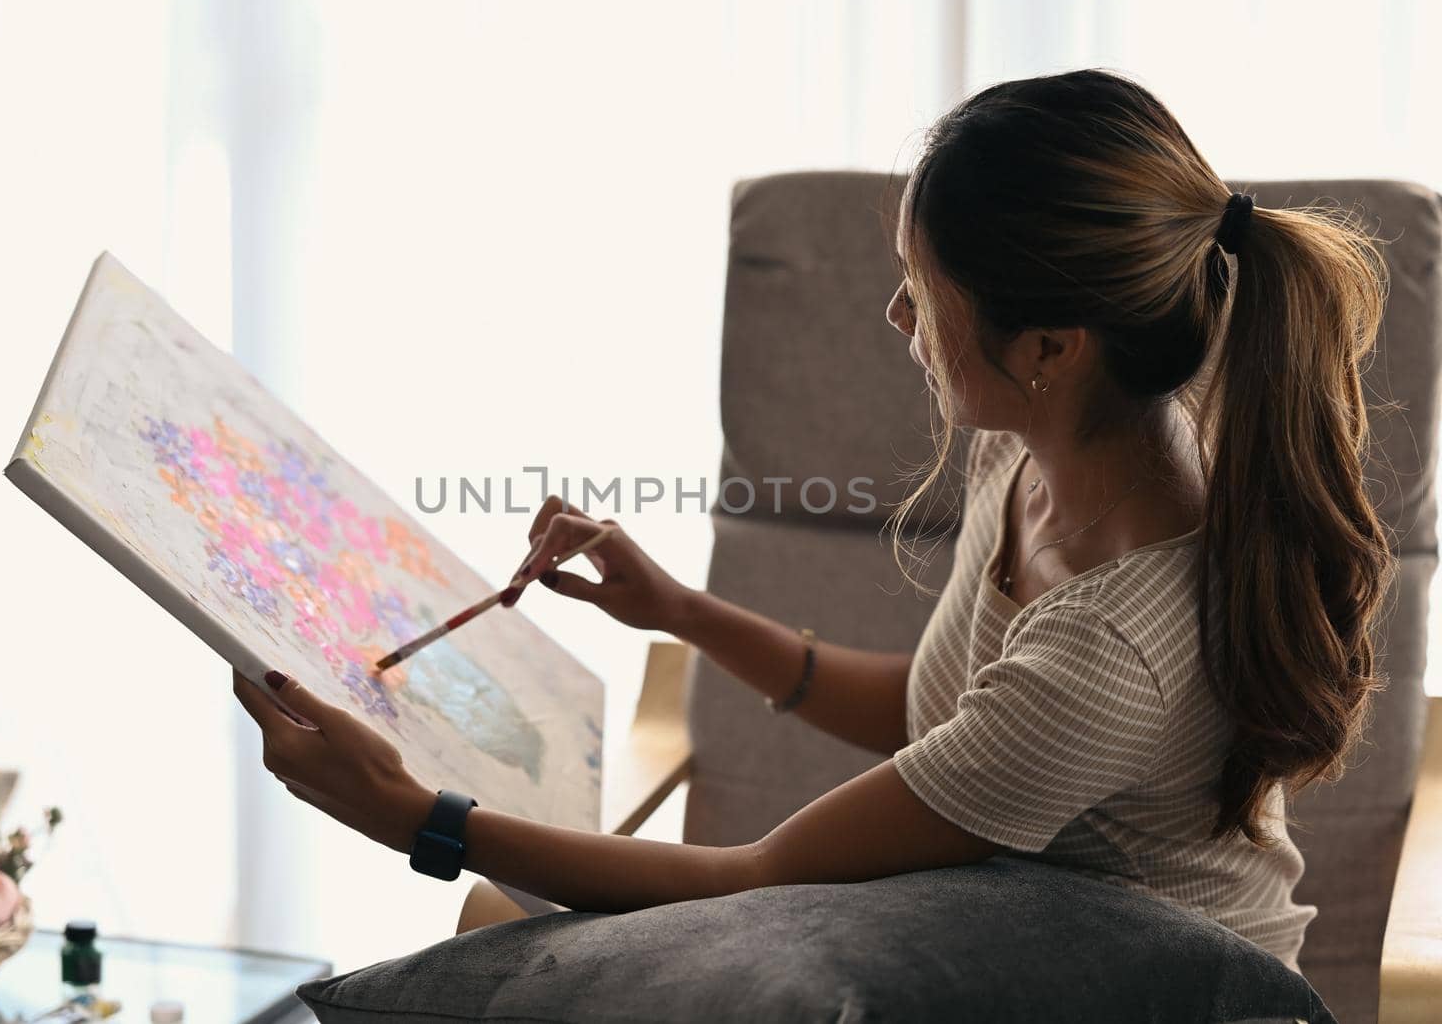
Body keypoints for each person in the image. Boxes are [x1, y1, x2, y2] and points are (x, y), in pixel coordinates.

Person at [234, 68, 1394, 977]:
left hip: (1142, 992)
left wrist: (410, 814)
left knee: (506, 944)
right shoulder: (1049, 454)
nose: (897, 317)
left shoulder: (1115, 645)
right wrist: (680, 610)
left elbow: (762, 872)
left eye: (920, 289)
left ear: (1049, 345)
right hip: (1001, 940)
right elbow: (933, 714)